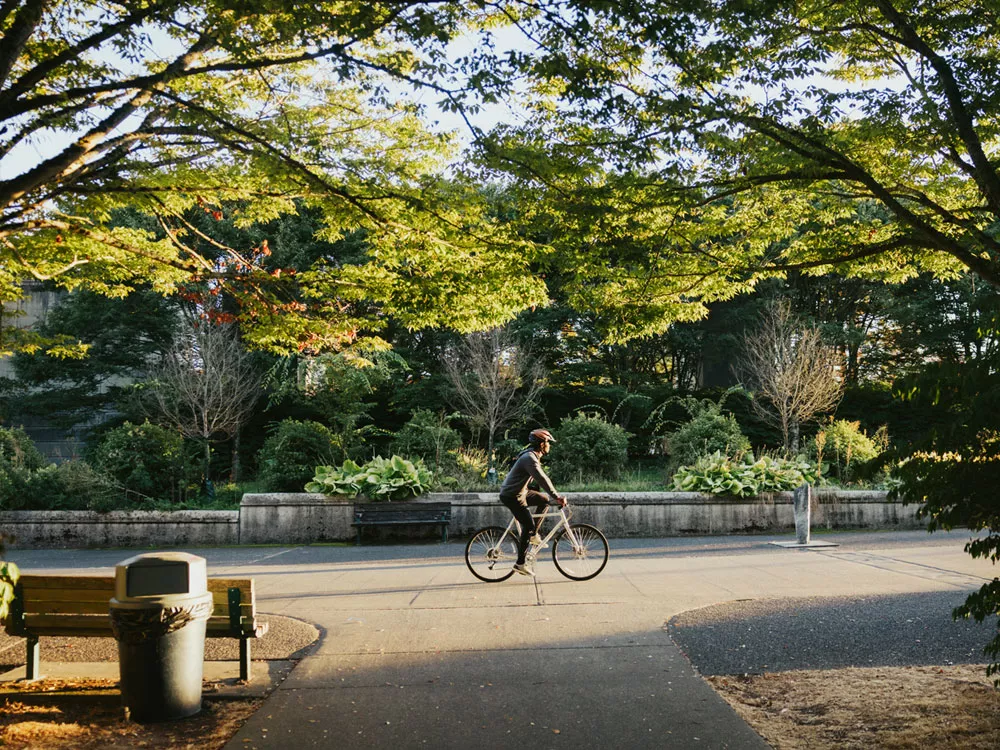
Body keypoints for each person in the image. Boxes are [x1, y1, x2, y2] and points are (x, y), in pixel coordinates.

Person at [498, 428, 567, 577]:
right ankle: (520, 564)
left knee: (544, 500)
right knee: (527, 526)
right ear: (541, 444)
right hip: (512, 495)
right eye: (548, 442)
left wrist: (551, 496)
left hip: (521, 492)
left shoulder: (532, 456)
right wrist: (557, 496)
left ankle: (533, 534)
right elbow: (542, 479)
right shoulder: (529, 458)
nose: (549, 445)